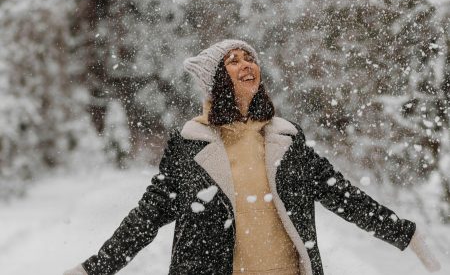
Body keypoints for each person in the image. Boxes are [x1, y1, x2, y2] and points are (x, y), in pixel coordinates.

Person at [64, 39, 442, 275]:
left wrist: (403, 233)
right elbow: (146, 216)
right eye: (233, 60)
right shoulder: (189, 143)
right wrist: (96, 268)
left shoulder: (286, 138)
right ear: (215, 79)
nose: (246, 64)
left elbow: (341, 194)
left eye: (250, 57)